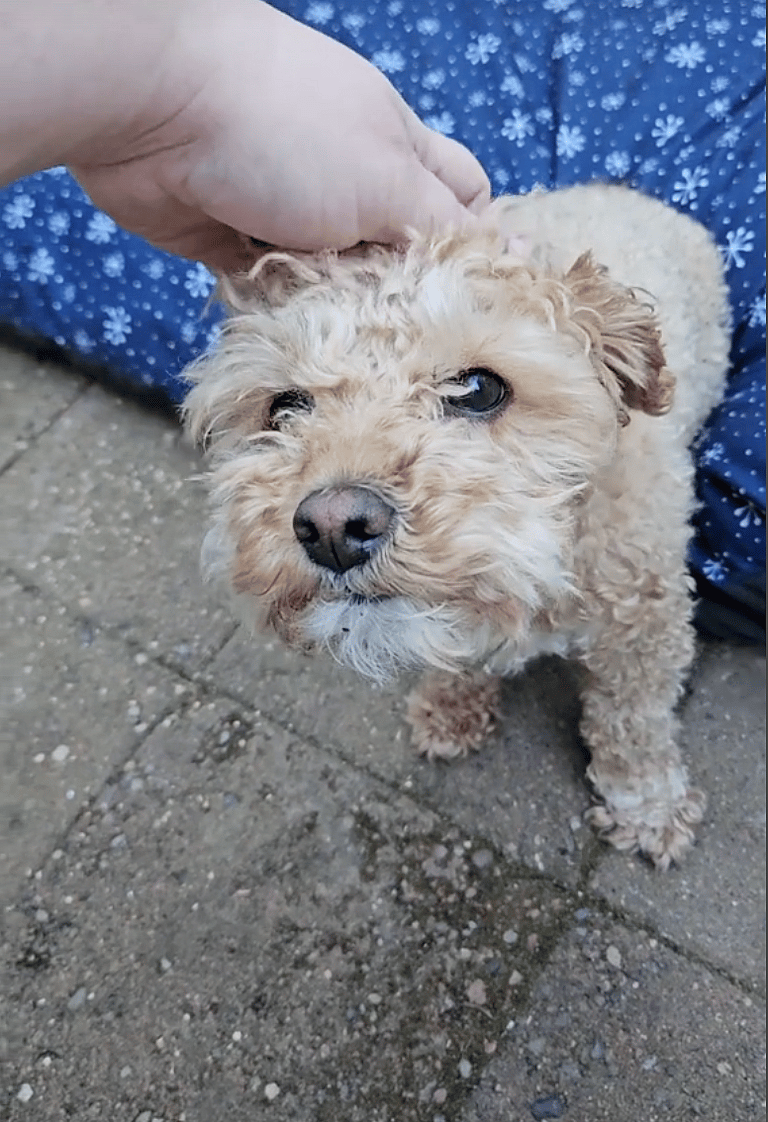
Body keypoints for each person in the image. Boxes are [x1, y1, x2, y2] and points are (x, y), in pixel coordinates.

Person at [0, 0, 764, 643]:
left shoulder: (632, 517)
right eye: (288, 406)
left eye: (474, 391)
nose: (333, 506)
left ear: (625, 376)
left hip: (657, 261)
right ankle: (461, 663)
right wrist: (180, 96)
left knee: (637, 633)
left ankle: (634, 763)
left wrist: (183, 92)